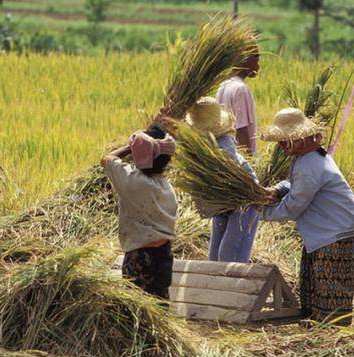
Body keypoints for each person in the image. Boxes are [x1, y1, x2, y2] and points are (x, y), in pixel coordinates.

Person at [261, 108, 354, 325]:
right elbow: (295, 185)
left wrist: (261, 213)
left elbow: (293, 206)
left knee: (330, 280)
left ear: (299, 137)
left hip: (334, 230)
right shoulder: (307, 156)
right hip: (324, 229)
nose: (281, 145)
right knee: (314, 277)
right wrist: (278, 189)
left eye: (284, 140)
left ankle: (332, 326)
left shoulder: (310, 163)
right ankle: (315, 318)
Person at [101, 125, 177, 299]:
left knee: (137, 311)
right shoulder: (167, 188)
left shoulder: (133, 182)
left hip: (140, 258)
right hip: (164, 255)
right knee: (160, 309)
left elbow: (107, 159)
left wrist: (130, 147)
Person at [187, 97, 259, 263]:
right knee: (214, 259)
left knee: (229, 257)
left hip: (244, 200)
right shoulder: (201, 143)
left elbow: (221, 168)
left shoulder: (224, 142)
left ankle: (238, 288)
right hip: (222, 203)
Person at [216, 47, 260, 155]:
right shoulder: (241, 89)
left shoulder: (223, 85)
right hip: (238, 160)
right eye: (256, 57)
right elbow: (241, 130)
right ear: (244, 58)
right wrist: (248, 163)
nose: (258, 63)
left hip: (226, 155)